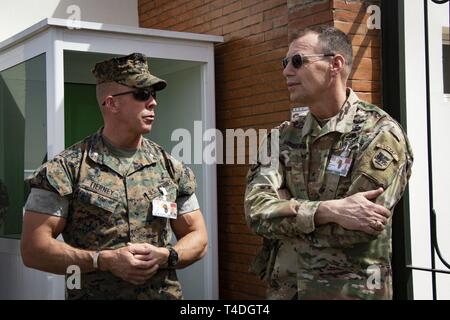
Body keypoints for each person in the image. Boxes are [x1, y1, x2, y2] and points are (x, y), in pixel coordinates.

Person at [244, 26, 413, 300]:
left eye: (297, 61)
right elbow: (256, 214)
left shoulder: (380, 134)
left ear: (335, 64)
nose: (286, 71)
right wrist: (331, 210)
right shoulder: (282, 136)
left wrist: (287, 206)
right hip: (287, 292)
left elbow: (359, 228)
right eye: (284, 63)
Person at [21, 53, 208, 300]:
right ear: (111, 103)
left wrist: (167, 256)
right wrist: (102, 261)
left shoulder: (170, 167)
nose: (152, 103)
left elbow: (198, 236)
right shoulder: (65, 169)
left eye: (154, 94)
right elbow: (33, 250)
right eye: (142, 94)